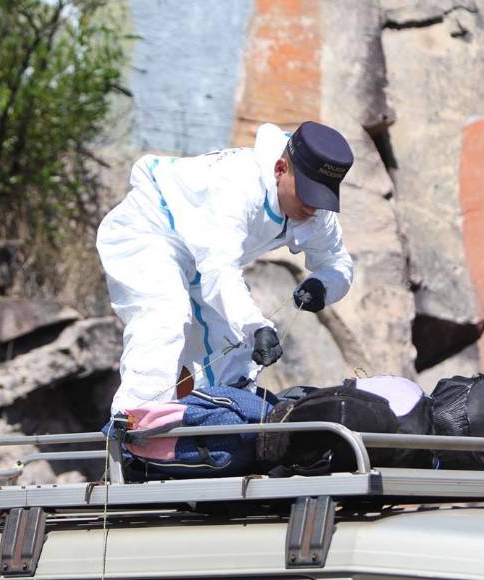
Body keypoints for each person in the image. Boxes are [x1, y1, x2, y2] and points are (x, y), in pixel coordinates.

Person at [96, 121, 355, 413]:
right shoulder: (238, 184)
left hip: (202, 258)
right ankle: (133, 424)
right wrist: (256, 326)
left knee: (233, 346)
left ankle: (219, 424)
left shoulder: (315, 212)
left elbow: (338, 262)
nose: (312, 207)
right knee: (165, 316)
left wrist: (324, 284)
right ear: (280, 169)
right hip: (150, 227)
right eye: (306, 194)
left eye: (321, 197)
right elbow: (219, 269)